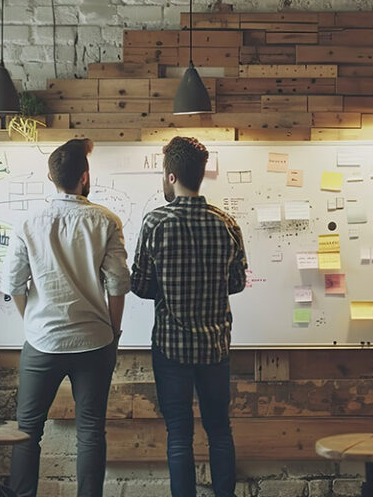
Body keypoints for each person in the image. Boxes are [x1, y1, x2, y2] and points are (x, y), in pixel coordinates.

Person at [1, 138, 130, 497]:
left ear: (50, 177)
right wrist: (114, 331)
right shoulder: (106, 221)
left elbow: (14, 284)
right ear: (85, 177)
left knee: (27, 430)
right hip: (94, 342)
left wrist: (31, 322)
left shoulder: (28, 223)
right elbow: (118, 284)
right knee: (91, 431)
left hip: (42, 341)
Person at [131, 137, 248, 497]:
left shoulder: (155, 222)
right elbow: (237, 283)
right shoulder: (226, 223)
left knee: (179, 435)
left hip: (171, 347)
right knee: (220, 431)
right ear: (199, 175)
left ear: (171, 176)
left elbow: (139, 285)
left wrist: (167, 291)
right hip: (215, 346)